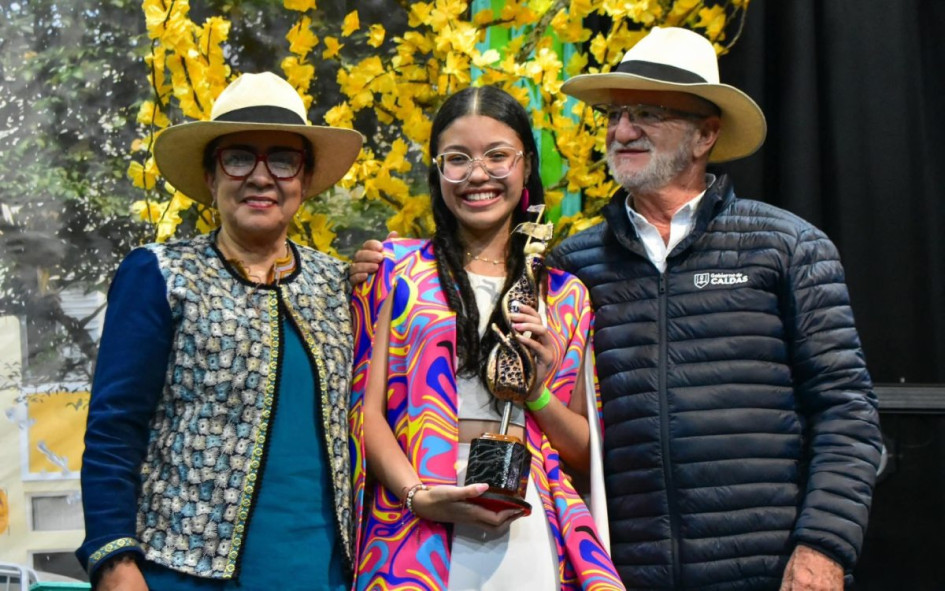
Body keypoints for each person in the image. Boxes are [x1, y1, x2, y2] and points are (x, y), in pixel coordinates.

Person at [351, 28, 883, 591]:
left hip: (768, 565)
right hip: (629, 565)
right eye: (616, 113)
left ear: (706, 134)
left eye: (649, 113)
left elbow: (846, 412)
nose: (623, 129)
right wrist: (368, 270)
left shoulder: (785, 246)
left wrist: (823, 545)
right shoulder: (574, 266)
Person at [76, 72, 364, 590]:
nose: (260, 176)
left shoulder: (337, 283)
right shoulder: (161, 274)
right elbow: (114, 429)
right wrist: (115, 563)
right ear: (211, 177)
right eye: (238, 157)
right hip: (181, 574)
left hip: (320, 573)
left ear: (304, 178)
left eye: (282, 159)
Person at [350, 85, 624, 591]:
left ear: (525, 167)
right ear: (437, 172)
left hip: (524, 520)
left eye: (498, 156)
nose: (478, 175)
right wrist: (419, 495)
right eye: (457, 159)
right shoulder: (395, 269)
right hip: (414, 523)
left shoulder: (565, 296)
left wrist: (537, 391)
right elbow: (363, 412)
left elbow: (587, 454)